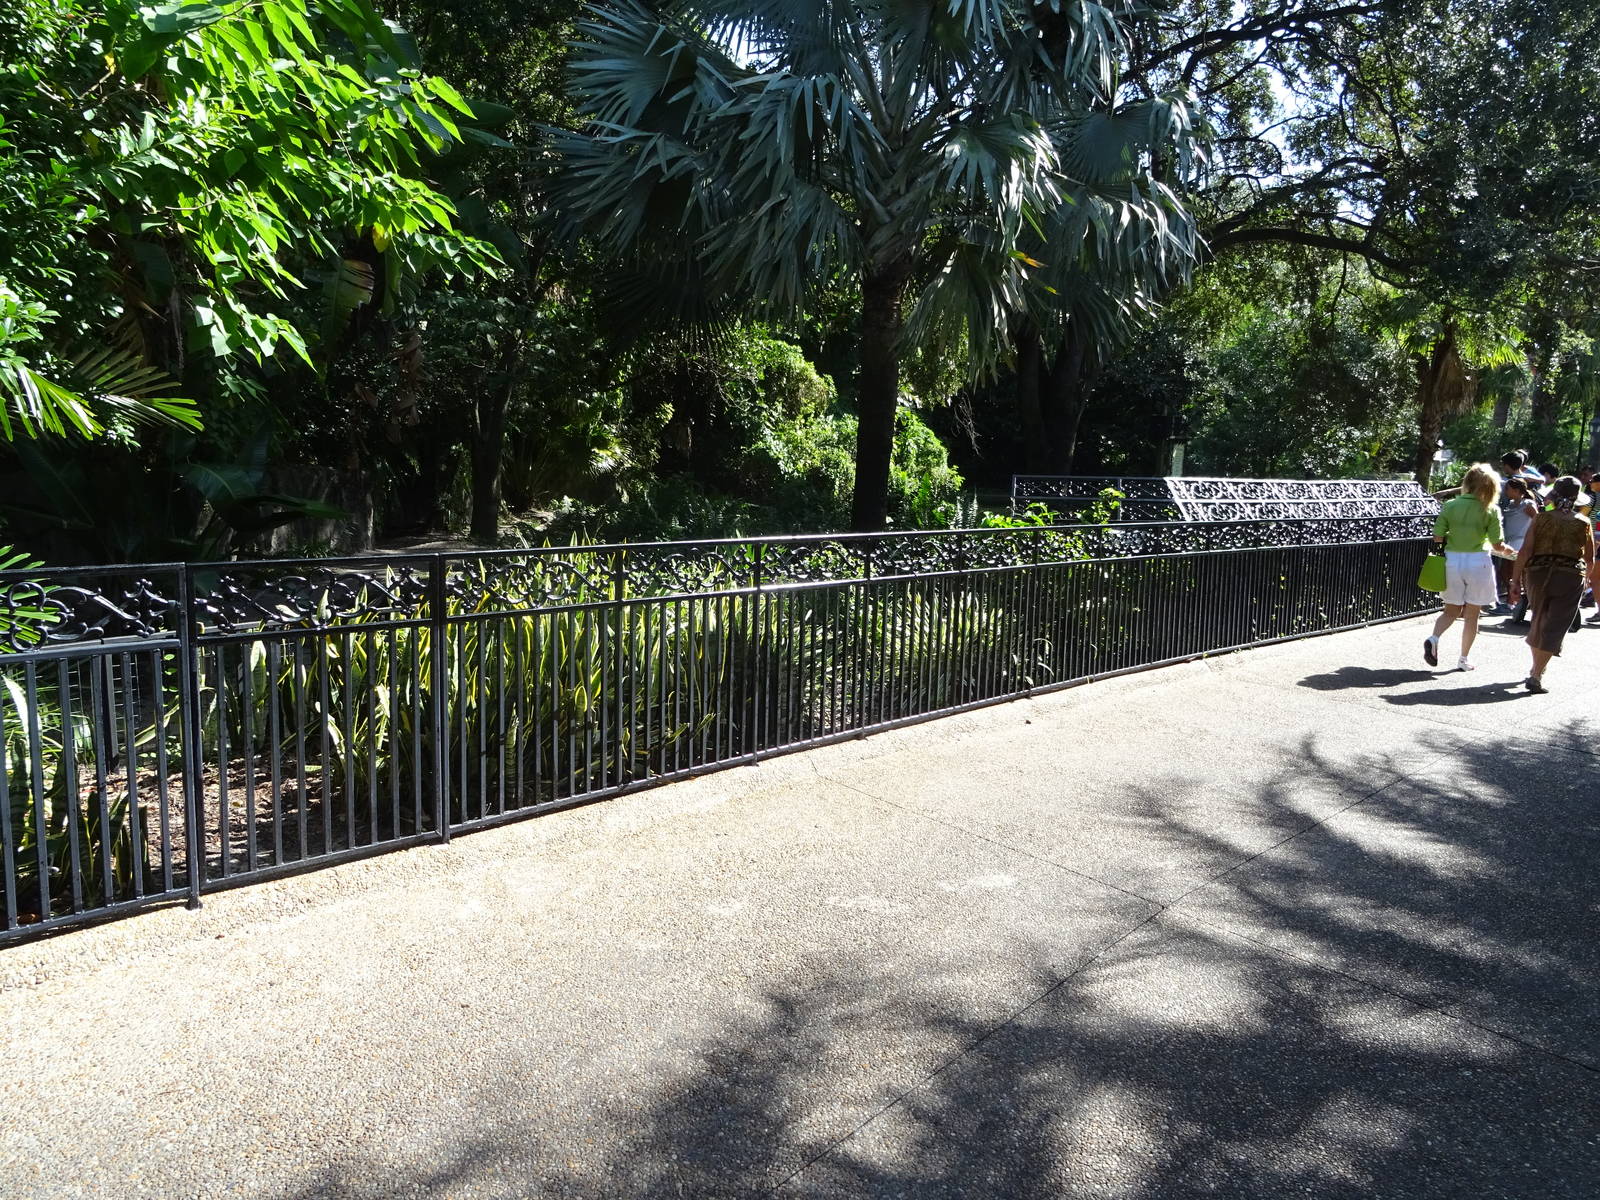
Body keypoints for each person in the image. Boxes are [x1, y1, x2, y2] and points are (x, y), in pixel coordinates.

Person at [1509, 475, 1596, 692]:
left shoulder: (1541, 518)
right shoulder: (1583, 522)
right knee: (1556, 626)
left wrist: (1515, 580)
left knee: (1539, 619)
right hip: (1570, 576)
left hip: (1537, 573)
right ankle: (1537, 674)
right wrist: (1586, 580)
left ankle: (1535, 669)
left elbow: (1525, 551)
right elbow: (1589, 558)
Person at [1426, 462, 1515, 671]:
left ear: (1467, 482)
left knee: (1450, 610)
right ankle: (1463, 659)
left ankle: (1434, 638)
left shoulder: (1451, 505)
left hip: (1453, 561)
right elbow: (1497, 545)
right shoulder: (1490, 509)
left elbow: (1438, 536)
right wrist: (1509, 551)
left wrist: (1455, 534)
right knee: (1472, 614)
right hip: (1478, 562)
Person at [1497, 476, 1540, 617]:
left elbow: (1537, 521)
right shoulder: (1510, 503)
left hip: (1521, 543)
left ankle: (1512, 603)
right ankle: (1516, 601)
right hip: (1509, 542)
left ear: (1516, 490)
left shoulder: (1527, 504)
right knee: (1505, 571)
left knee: (1514, 572)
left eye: (1508, 489)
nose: (1505, 491)